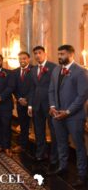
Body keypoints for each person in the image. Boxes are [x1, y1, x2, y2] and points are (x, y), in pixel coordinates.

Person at [48, 45, 88, 187]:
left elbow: (82, 96)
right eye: (58, 54)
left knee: (79, 146)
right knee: (61, 142)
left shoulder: (81, 72)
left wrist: (68, 112)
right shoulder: (56, 70)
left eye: (62, 54)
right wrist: (52, 107)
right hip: (57, 115)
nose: (59, 57)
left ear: (71, 54)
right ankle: (62, 167)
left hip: (74, 117)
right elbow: (51, 90)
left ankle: (82, 174)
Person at [27, 46, 58, 166]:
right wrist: (30, 105)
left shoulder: (53, 67)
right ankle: (41, 153)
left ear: (45, 53)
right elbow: (32, 88)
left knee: (54, 131)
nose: (37, 55)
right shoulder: (33, 70)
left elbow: (56, 88)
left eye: (39, 53)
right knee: (39, 131)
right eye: (35, 53)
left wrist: (54, 105)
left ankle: (54, 157)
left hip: (50, 105)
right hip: (36, 106)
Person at [11, 51, 32, 154]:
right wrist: (19, 98)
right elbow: (13, 88)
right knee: (23, 125)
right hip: (20, 103)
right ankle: (23, 146)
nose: (22, 60)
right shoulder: (14, 72)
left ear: (29, 59)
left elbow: (35, 87)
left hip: (33, 103)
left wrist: (27, 99)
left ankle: (39, 149)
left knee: (37, 126)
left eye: (24, 58)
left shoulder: (34, 70)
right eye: (20, 59)